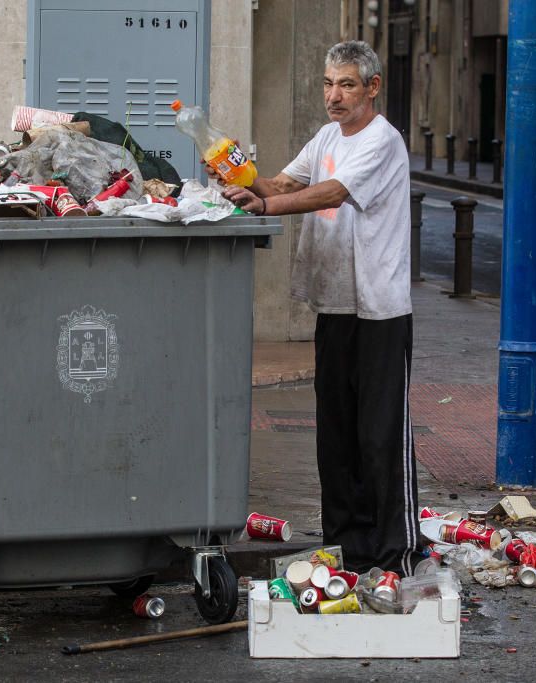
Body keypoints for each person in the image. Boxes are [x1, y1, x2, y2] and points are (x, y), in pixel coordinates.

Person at [219, 40, 419, 576]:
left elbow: (328, 193)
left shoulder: (383, 141)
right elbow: (282, 183)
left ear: (372, 87)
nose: (334, 95)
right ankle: (345, 546)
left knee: (379, 436)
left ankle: (394, 551)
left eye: (347, 84)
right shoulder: (328, 136)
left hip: (380, 309)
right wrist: (236, 173)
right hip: (336, 306)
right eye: (329, 83)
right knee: (336, 435)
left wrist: (267, 205)